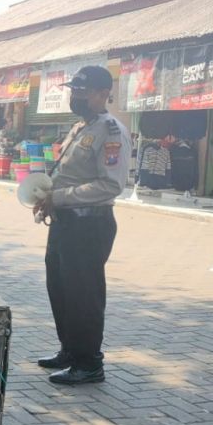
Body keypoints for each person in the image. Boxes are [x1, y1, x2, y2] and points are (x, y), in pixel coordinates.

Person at [33, 65, 132, 385]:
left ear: (104, 93)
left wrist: (59, 197)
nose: (76, 96)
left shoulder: (111, 131)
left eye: (83, 91)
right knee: (60, 289)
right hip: (65, 223)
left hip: (90, 225)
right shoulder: (80, 127)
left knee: (84, 294)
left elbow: (110, 185)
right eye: (73, 90)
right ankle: (70, 351)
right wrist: (48, 198)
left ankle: (89, 362)